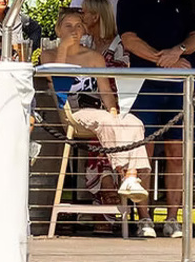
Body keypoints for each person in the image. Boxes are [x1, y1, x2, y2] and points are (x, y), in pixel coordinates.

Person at [43, 12, 153, 234]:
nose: (74, 30)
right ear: (58, 29)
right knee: (108, 121)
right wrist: (64, 48)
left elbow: (106, 93)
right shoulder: (48, 54)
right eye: (68, 26)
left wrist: (114, 112)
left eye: (78, 26)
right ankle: (130, 179)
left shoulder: (94, 57)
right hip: (74, 112)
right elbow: (56, 79)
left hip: (100, 113)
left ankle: (133, 185)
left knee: (133, 122)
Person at [115, 0, 195, 237]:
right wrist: (164, 60)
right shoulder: (129, 1)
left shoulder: (181, 0)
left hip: (178, 87)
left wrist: (178, 51)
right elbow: (129, 40)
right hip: (144, 86)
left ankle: (173, 218)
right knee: (144, 153)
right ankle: (144, 217)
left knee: (177, 153)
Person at [79, 0, 127, 68]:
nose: (80, 17)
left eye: (83, 13)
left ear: (95, 17)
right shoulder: (84, 41)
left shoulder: (120, 45)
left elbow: (122, 72)